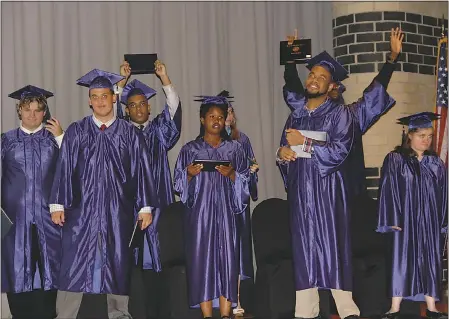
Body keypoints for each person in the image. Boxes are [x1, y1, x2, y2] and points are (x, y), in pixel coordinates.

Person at [49, 69, 160, 319]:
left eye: (105, 95)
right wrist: (57, 204)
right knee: (74, 263)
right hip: (81, 210)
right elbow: (64, 166)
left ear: (113, 98)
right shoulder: (77, 132)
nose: (100, 101)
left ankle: (119, 313)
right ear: (89, 100)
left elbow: (141, 170)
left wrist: (145, 207)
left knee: (117, 262)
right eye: (95, 96)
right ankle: (65, 315)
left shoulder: (129, 134)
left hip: (117, 209)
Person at [283, 28, 403, 199]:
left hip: (338, 195)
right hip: (306, 193)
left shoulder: (349, 115)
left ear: (333, 87)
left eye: (325, 80)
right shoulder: (305, 112)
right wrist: (290, 58)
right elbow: (294, 89)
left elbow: (374, 94)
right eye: (313, 76)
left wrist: (391, 60)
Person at [173, 95, 250, 319]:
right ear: (202, 119)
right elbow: (178, 183)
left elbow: (247, 182)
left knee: (227, 261)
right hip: (200, 216)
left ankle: (225, 313)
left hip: (226, 214)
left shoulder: (234, 150)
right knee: (201, 262)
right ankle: (207, 315)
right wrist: (188, 174)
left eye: (220, 117)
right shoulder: (190, 149)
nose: (216, 120)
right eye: (211, 116)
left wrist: (233, 174)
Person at [117, 60, 181, 318]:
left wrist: (164, 78)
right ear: (127, 110)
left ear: (149, 106)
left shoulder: (158, 132)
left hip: (158, 207)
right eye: (132, 105)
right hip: (129, 209)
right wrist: (120, 84)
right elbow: (109, 115)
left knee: (160, 265)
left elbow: (174, 112)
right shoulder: (121, 133)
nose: (138, 108)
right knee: (132, 270)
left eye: (142, 103)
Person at [377, 112, 448, 319]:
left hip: (429, 220)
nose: (426, 140)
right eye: (421, 135)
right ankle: (394, 307)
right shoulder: (395, 159)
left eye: (429, 136)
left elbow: (444, 194)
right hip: (404, 220)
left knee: (430, 260)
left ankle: (432, 308)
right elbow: (388, 190)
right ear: (410, 136)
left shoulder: (435, 163)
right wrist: (392, 218)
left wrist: (443, 222)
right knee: (401, 259)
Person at [1, 85, 64, 319]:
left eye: (38, 110)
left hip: (48, 221)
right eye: (27, 110)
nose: (32, 115)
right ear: (19, 111)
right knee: (17, 274)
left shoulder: (53, 140)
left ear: (44, 112)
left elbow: (72, 171)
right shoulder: (6, 141)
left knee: (49, 275)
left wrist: (61, 138)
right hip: (14, 222)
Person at [217, 89, 258, 315]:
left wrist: (252, 172)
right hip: (217, 204)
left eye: (230, 111)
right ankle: (218, 300)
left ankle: (238, 299)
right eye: (224, 112)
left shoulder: (242, 140)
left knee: (239, 251)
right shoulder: (209, 140)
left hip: (237, 204)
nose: (229, 116)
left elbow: (250, 171)